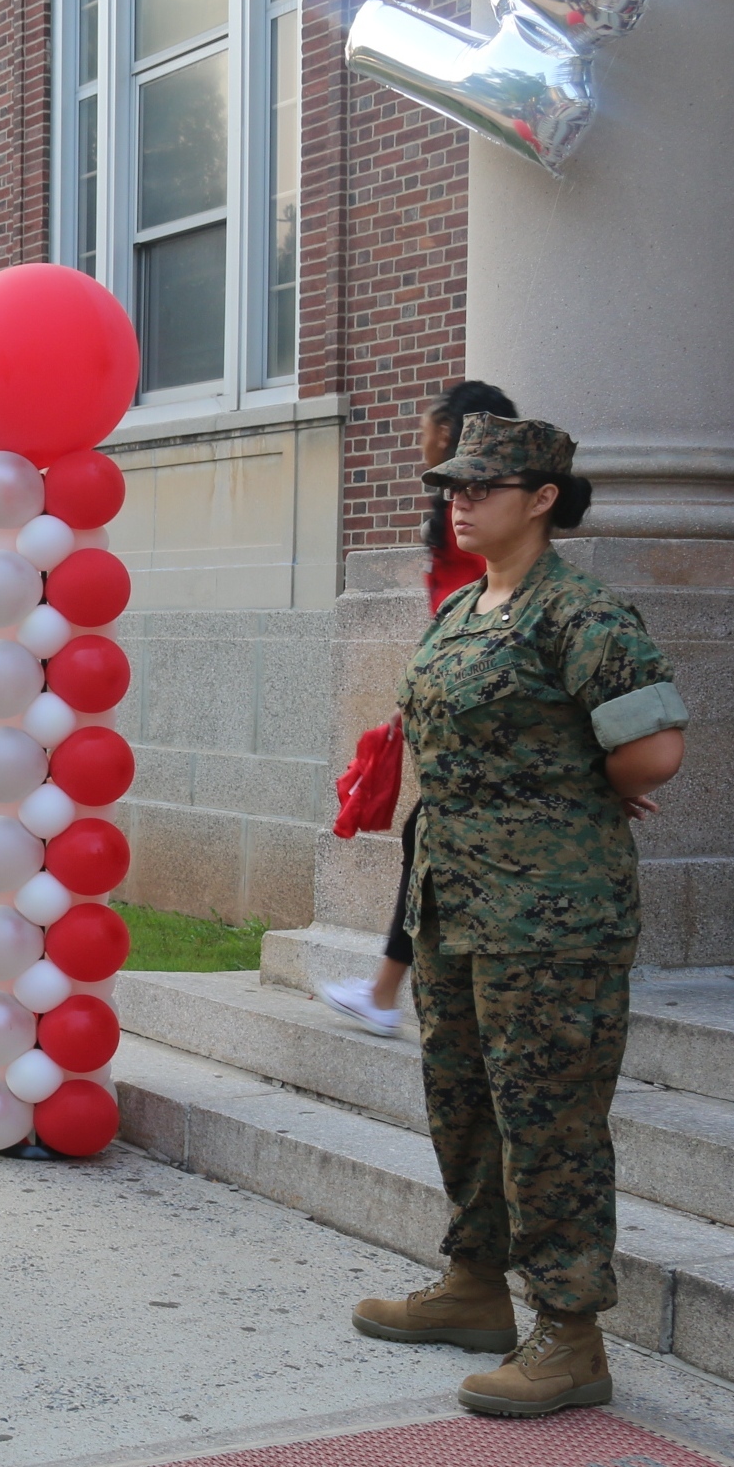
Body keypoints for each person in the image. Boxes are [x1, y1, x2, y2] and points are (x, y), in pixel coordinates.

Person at [351, 416, 687, 1417]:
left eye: (482, 486)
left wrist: (582, 790)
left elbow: (654, 747)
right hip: (458, 901)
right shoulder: (465, 609)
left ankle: (572, 1337)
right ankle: (473, 1287)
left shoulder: (577, 612)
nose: (460, 500)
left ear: (542, 497)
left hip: (551, 916)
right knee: (463, 1101)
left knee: (550, 1122)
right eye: (453, 486)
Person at [319, 378, 517, 1037]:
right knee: (428, 839)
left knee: (431, 838)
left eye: (432, 434)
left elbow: (490, 623)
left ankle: (388, 992)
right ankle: (393, 990)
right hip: (452, 705)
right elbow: (448, 621)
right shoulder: (454, 521)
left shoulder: (493, 537)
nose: (419, 446)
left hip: (487, 715)